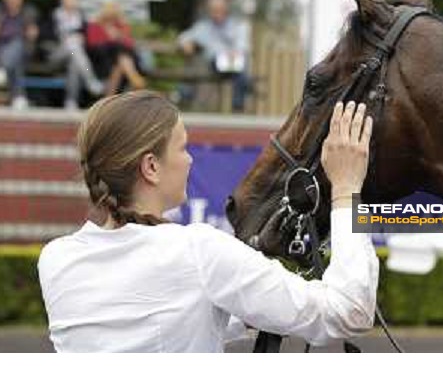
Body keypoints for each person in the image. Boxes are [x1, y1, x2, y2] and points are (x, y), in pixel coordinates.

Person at [37, 91, 377, 353]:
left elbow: (163, 314)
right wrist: (347, 189)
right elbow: (349, 310)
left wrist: (253, 306)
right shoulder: (197, 252)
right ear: (150, 167)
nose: (190, 160)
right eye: (183, 147)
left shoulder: (56, 260)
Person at [177, 0, 252, 112]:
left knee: (242, 71)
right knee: (201, 64)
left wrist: (236, 52)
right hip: (214, 65)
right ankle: (184, 100)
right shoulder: (204, 27)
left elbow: (243, 46)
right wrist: (186, 43)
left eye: (219, 10)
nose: (216, 13)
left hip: (234, 62)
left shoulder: (236, 25)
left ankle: (238, 108)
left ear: (225, 10)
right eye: (213, 10)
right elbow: (183, 36)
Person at [50, 0, 104, 110]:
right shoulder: (54, 15)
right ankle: (90, 81)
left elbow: (88, 39)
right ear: (62, 1)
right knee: (72, 44)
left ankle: (71, 101)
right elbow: (45, 35)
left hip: (76, 55)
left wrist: (82, 38)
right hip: (56, 54)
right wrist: (66, 38)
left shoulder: (81, 17)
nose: (70, 2)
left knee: (74, 60)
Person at [0, 0, 39, 109]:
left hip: (23, 48)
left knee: (17, 43)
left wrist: (32, 32)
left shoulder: (29, 11)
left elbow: (32, 33)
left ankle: (2, 69)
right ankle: (19, 96)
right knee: (13, 57)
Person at [86, 2, 146, 96]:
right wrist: (109, 38)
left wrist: (118, 35)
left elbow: (130, 45)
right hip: (102, 62)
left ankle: (108, 99)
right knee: (120, 58)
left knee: (119, 65)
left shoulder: (121, 26)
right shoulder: (95, 26)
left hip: (120, 62)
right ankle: (134, 78)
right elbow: (93, 46)